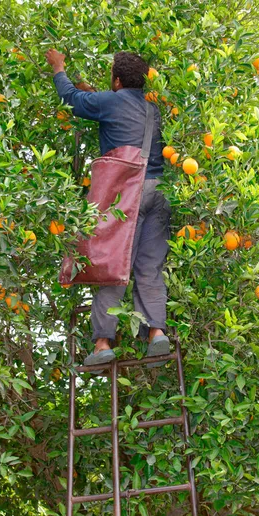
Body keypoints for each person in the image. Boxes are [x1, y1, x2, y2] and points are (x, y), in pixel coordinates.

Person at [46, 49, 171, 367]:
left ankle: (103, 342)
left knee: (112, 263)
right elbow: (119, 110)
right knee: (149, 268)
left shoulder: (110, 101)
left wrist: (59, 68)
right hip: (160, 191)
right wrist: (98, 94)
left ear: (116, 80)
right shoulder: (155, 106)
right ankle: (157, 334)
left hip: (127, 193)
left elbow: (71, 99)